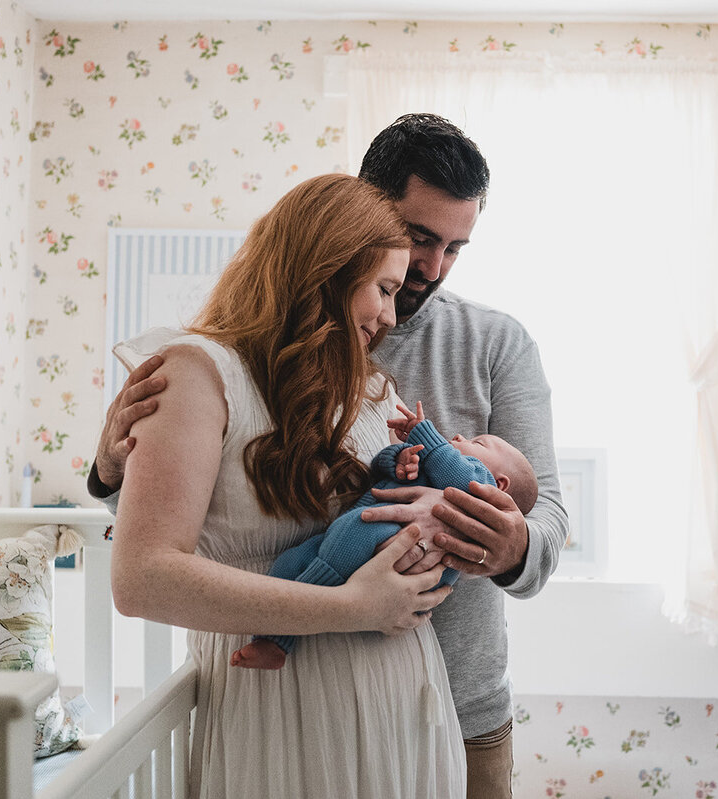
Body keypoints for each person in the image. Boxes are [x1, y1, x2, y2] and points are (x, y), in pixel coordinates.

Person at [90, 114, 570, 798]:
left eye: (456, 248)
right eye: (418, 241)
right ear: (360, 216)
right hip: (289, 700)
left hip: (454, 699)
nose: (429, 271)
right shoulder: (242, 361)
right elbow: (196, 519)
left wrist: (499, 533)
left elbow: (542, 507)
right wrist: (110, 470)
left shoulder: (488, 346)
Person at [107, 173, 466, 797]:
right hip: (278, 710)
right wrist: (351, 607)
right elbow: (142, 578)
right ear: (326, 268)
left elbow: (389, 504)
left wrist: (436, 508)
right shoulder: (198, 373)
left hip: (402, 705)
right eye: (382, 289)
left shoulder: (367, 390)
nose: (388, 316)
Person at [231, 401, 539, 670]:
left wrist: (427, 437)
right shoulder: (435, 468)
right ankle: (270, 640)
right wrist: (400, 460)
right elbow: (379, 471)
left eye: (477, 443)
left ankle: (288, 629)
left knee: (333, 559)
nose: (460, 437)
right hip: (360, 531)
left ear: (500, 485)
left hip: (390, 547)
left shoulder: (478, 484)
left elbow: (459, 479)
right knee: (291, 560)